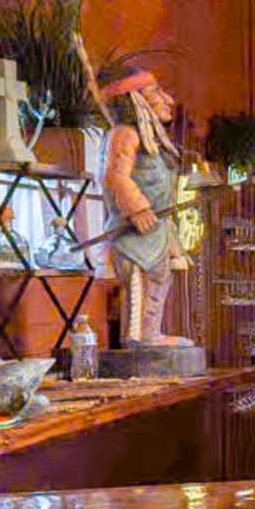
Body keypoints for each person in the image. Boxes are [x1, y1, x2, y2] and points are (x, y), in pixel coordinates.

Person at [96, 56, 186, 350]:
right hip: (134, 235)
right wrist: (137, 207)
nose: (167, 99)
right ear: (136, 100)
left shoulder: (150, 141)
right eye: (156, 92)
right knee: (139, 285)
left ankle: (151, 333)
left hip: (155, 233)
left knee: (158, 279)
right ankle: (139, 339)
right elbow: (115, 176)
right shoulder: (124, 134)